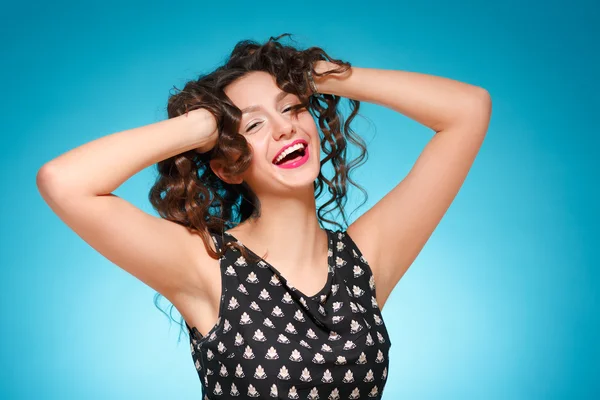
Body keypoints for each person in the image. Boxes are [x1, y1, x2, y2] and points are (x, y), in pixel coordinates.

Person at [37, 33, 491, 399]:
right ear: (226, 164)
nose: (285, 127)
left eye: (292, 108)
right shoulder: (208, 266)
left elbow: (468, 111)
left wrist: (322, 75)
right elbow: (64, 182)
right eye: (254, 125)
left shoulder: (364, 260)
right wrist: (199, 126)